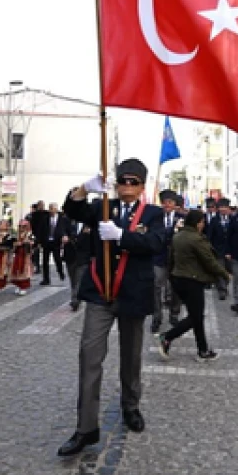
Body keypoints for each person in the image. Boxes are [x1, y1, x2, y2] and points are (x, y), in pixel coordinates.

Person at [58, 158, 167, 457]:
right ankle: (86, 428)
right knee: (89, 355)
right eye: (122, 181)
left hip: (133, 294)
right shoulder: (102, 207)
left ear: (142, 187)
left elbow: (156, 243)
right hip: (100, 293)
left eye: (133, 182)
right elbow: (72, 211)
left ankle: (130, 406)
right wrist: (84, 189)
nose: (127, 186)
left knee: (130, 356)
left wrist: (122, 237)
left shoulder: (154, 213)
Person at [158, 209, 230, 362]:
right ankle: (167, 337)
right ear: (197, 223)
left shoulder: (177, 236)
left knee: (195, 315)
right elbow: (209, 261)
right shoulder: (196, 239)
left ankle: (202, 350)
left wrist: (171, 276)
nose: (203, 224)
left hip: (178, 279)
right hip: (192, 281)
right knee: (196, 317)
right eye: (202, 222)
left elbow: (171, 260)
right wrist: (224, 274)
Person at [151, 190, 183, 334]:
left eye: (170, 202)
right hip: (159, 257)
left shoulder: (182, 218)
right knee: (156, 288)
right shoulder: (156, 218)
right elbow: (158, 235)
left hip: (177, 259)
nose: (167, 205)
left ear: (175, 204)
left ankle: (174, 314)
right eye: (164, 202)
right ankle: (156, 317)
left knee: (176, 288)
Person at [206, 198, 234, 301]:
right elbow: (210, 235)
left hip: (231, 250)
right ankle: (222, 290)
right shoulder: (214, 220)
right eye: (221, 207)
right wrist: (210, 248)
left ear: (228, 208)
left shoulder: (233, 219)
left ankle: (224, 285)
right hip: (218, 250)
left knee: (229, 270)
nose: (223, 209)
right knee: (220, 269)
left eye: (225, 207)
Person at [37, 202, 69, 285]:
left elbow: (65, 229)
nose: (51, 211)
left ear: (56, 209)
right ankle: (46, 279)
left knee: (57, 259)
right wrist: (39, 242)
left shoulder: (62, 218)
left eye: (52, 209)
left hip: (56, 242)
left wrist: (65, 236)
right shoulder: (45, 218)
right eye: (50, 208)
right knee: (45, 261)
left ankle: (61, 272)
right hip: (47, 242)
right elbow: (40, 230)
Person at [64, 218, 93, 311]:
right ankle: (77, 297)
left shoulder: (89, 223)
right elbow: (61, 231)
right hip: (70, 256)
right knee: (73, 280)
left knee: (79, 280)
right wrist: (64, 236)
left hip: (83, 258)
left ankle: (75, 300)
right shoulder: (68, 220)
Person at [9, 220, 36, 295]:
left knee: (24, 269)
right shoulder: (17, 234)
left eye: (24, 226)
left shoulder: (30, 234)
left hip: (25, 254)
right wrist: (15, 244)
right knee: (16, 269)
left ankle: (23, 287)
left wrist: (26, 242)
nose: (22, 228)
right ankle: (18, 285)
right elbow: (13, 243)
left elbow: (33, 243)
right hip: (18, 254)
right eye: (20, 226)